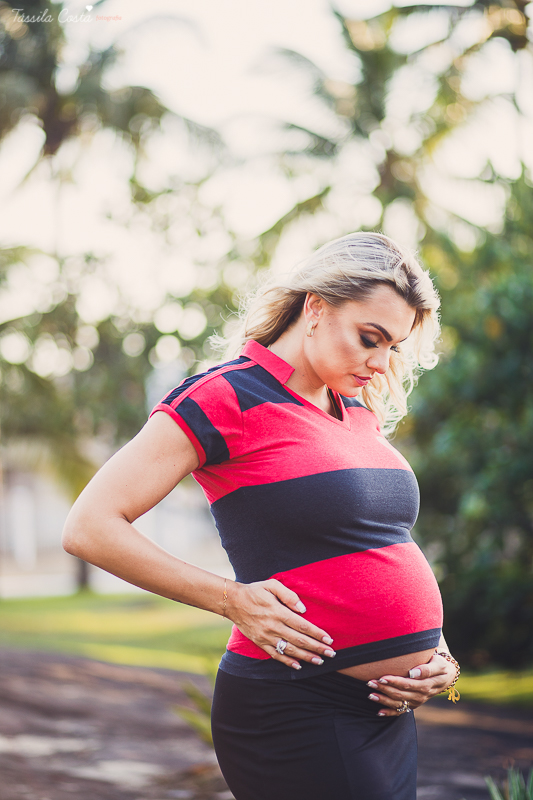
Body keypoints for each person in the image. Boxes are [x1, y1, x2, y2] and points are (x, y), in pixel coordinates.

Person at [63, 232, 460, 800]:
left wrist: (439, 653)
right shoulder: (225, 396)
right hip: (296, 703)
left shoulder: (354, 411)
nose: (379, 362)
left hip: (383, 715)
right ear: (316, 307)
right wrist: (232, 600)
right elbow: (89, 525)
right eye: (370, 338)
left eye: (392, 347)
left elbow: (374, 545)